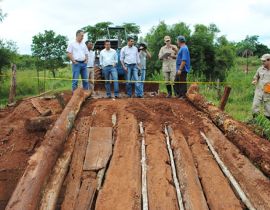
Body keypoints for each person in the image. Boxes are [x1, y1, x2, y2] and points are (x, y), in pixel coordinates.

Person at [252, 54, 270, 120]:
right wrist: (255, 81)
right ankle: (254, 122)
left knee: (268, 111)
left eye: (264, 61)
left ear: (269, 60)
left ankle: (267, 125)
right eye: (262, 61)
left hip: (268, 93)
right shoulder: (260, 69)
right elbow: (256, 77)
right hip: (259, 91)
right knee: (254, 107)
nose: (262, 62)